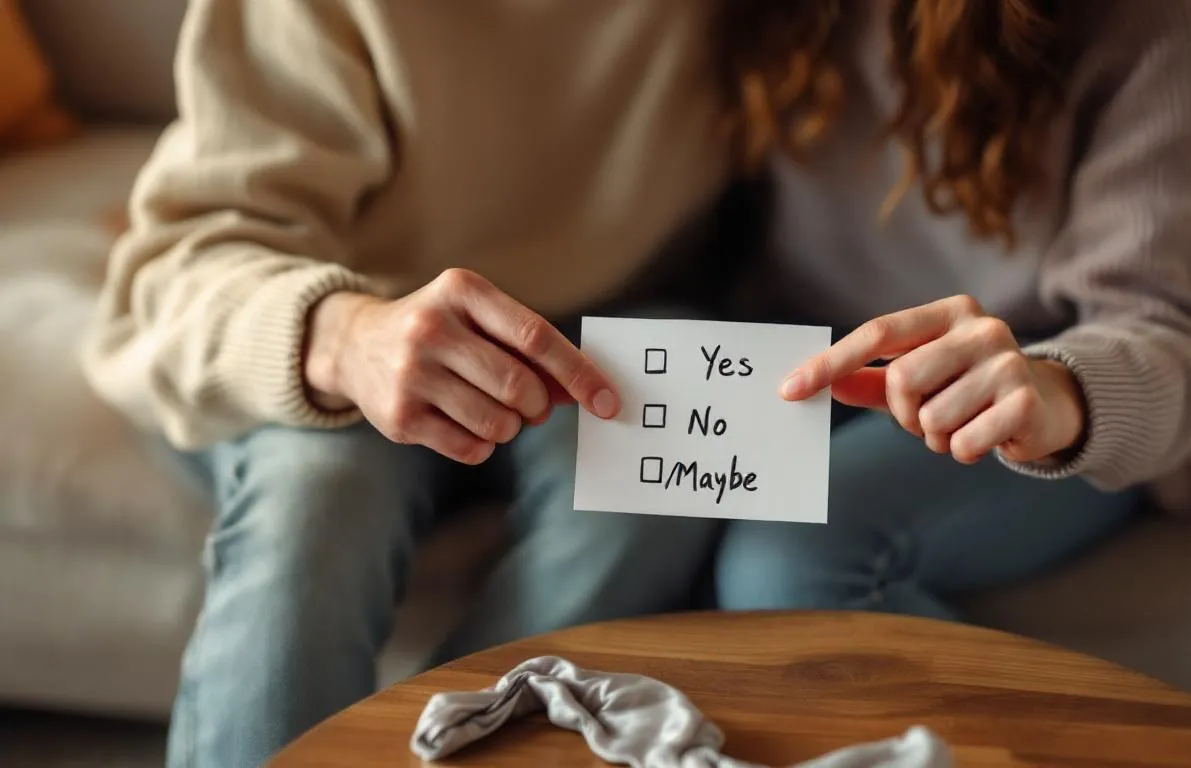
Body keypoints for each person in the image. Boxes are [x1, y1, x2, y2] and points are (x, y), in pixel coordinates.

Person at [79, 1, 739, 765]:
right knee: (320, 500)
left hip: (603, 329)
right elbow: (181, 266)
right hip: (340, 321)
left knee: (648, 496)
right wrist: (345, 336)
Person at [712, 0, 1191, 616]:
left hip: (1035, 368)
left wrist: (1057, 389)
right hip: (782, 343)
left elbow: (1161, 330)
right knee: (624, 518)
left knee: (788, 562)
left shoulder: (1162, 16)